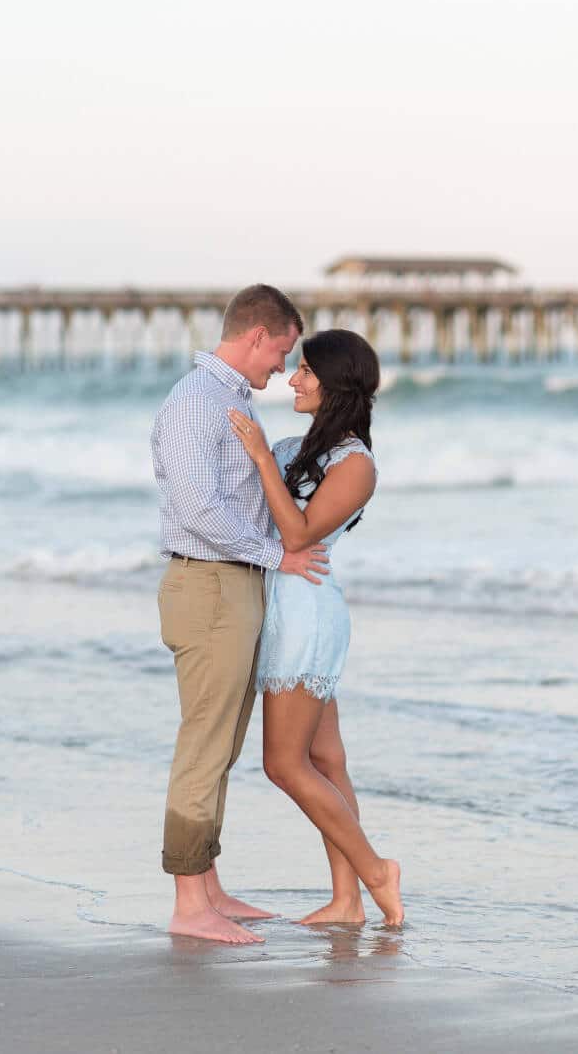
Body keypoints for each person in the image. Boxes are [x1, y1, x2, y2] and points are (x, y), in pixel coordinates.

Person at [149, 284, 330, 945]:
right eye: (281, 351)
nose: (282, 368)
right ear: (257, 334)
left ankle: (208, 886)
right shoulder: (198, 401)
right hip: (212, 585)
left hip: (231, 584)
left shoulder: (226, 400)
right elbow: (199, 509)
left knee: (221, 742)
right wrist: (272, 553)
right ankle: (188, 904)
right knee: (205, 741)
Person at [226, 328, 403, 927]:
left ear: (335, 382)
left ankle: (377, 871)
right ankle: (348, 901)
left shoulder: (356, 465)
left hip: (308, 614)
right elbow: (257, 517)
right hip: (282, 604)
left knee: (284, 763)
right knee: (327, 759)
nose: (293, 379)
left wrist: (258, 456)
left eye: (305, 370)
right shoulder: (291, 448)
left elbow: (299, 533)